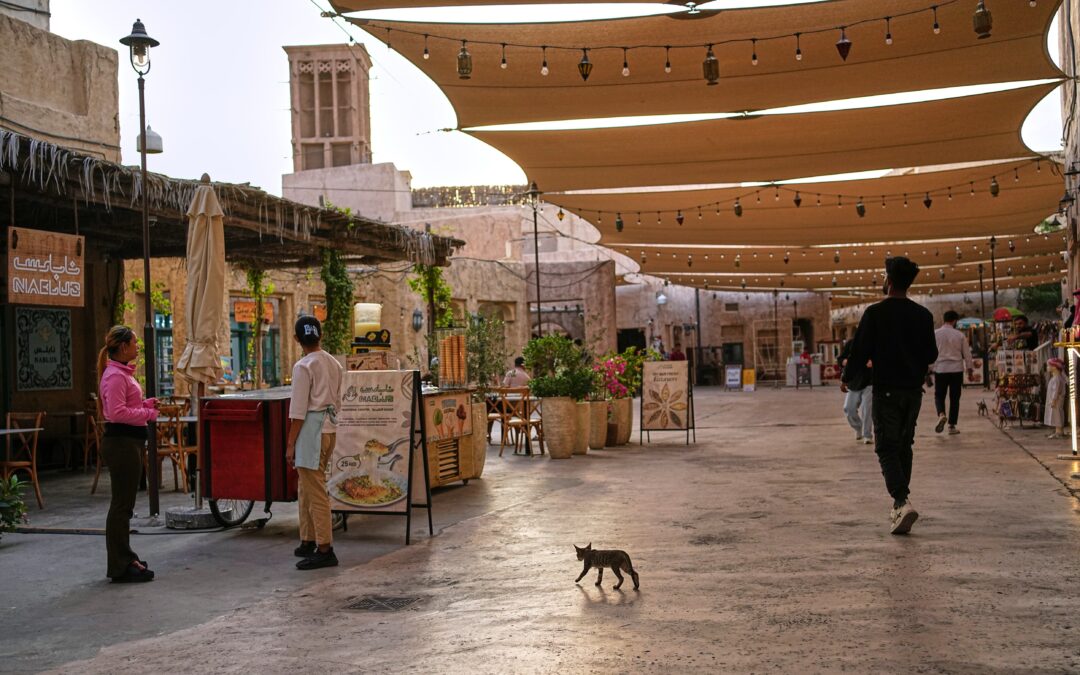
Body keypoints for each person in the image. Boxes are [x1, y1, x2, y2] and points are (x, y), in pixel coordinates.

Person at [842, 257, 937, 535]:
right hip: (913, 392)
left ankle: (900, 500)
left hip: (886, 390)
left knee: (886, 447)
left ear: (889, 281)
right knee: (904, 444)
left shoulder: (875, 313)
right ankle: (901, 503)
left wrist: (848, 379)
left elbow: (859, 353)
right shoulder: (923, 316)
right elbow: (931, 354)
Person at [97, 325, 158, 583]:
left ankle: (125, 557)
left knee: (125, 504)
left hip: (129, 442)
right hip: (121, 444)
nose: (137, 347)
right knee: (121, 505)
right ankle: (120, 564)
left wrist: (145, 405)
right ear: (123, 347)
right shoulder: (114, 376)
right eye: (134, 343)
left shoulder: (122, 374)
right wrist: (147, 414)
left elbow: (125, 407)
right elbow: (115, 413)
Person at [286, 316, 343, 571]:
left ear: (297, 339)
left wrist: (290, 445)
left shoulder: (303, 366)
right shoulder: (333, 363)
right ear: (319, 335)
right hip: (330, 429)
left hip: (311, 431)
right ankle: (307, 539)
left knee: (315, 490)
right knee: (307, 485)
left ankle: (324, 547)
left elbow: (298, 411)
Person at [931, 310, 974, 435]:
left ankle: (941, 414)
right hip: (956, 370)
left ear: (944, 319)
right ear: (955, 320)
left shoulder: (935, 334)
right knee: (955, 398)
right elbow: (967, 354)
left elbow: (931, 353)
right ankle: (952, 426)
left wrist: (929, 369)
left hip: (941, 369)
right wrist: (970, 370)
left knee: (939, 396)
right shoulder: (959, 335)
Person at [839, 338, 873, 444]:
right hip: (854, 381)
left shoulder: (875, 342)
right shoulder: (851, 343)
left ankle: (867, 435)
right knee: (848, 408)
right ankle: (858, 427)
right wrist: (846, 362)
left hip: (870, 381)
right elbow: (841, 359)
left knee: (867, 409)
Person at [1045, 358, 1067, 439]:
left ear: (1054, 367)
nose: (1047, 367)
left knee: (1057, 415)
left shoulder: (1057, 378)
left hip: (1057, 401)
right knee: (1056, 415)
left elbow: (1056, 391)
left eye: (1048, 365)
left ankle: (1059, 431)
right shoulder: (1056, 378)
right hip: (1056, 400)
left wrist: (1054, 400)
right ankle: (1058, 431)